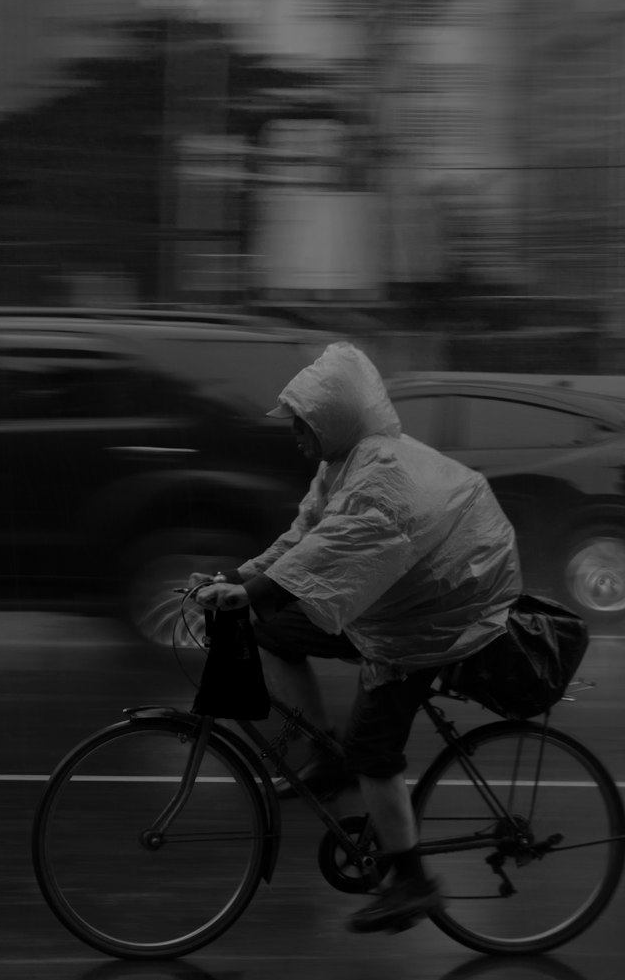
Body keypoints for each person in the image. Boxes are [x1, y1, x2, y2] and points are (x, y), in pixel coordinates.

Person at [194, 341, 521, 935]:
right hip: (401, 598)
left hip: (441, 611)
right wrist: (240, 581)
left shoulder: (381, 470)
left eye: (302, 425)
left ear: (331, 420)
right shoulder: (338, 465)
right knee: (270, 629)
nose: (294, 436)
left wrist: (257, 591)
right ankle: (327, 758)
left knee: (375, 749)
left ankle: (411, 883)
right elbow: (302, 538)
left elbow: (339, 546)